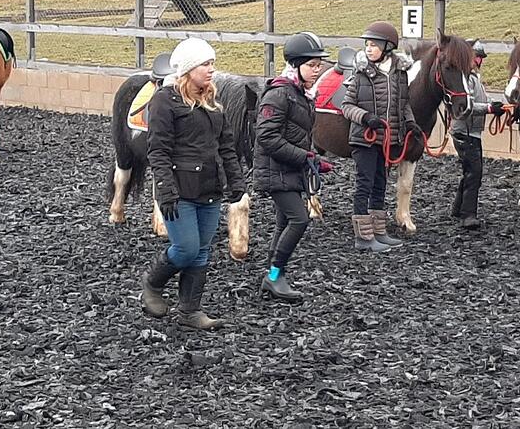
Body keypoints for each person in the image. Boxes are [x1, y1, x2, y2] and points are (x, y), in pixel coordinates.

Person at [141, 37, 246, 330]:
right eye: (205, 64)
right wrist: (165, 189)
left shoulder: (213, 102)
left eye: (212, 63)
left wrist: (236, 181)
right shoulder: (165, 101)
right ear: (188, 69)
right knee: (186, 248)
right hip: (179, 190)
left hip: (209, 188)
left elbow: (226, 146)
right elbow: (158, 149)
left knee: (201, 249)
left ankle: (190, 310)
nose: (211, 69)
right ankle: (152, 282)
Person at [254, 32, 334, 303]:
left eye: (319, 65)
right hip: (276, 171)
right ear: (295, 65)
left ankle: (274, 275)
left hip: (289, 170)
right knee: (299, 220)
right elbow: (267, 137)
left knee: (284, 222)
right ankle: (274, 276)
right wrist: (305, 157)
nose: (317, 70)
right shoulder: (279, 94)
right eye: (312, 65)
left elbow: (297, 134)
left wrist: (314, 160)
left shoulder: (302, 94)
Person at [341, 21, 421, 252]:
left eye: (374, 45)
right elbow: (346, 105)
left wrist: (410, 122)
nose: (368, 49)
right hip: (364, 139)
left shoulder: (399, 75)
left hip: (387, 140)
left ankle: (378, 231)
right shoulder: (361, 74)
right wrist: (366, 117)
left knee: (380, 184)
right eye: (367, 45)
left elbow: (403, 104)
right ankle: (363, 236)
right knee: (364, 184)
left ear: (387, 47)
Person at [450, 41, 505, 229]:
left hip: (470, 131)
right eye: (478, 57)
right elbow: (467, 105)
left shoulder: (473, 78)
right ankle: (468, 215)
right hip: (465, 131)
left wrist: (496, 105)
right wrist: (489, 108)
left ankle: (458, 208)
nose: (480, 61)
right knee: (475, 172)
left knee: (469, 170)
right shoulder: (466, 78)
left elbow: (482, 98)